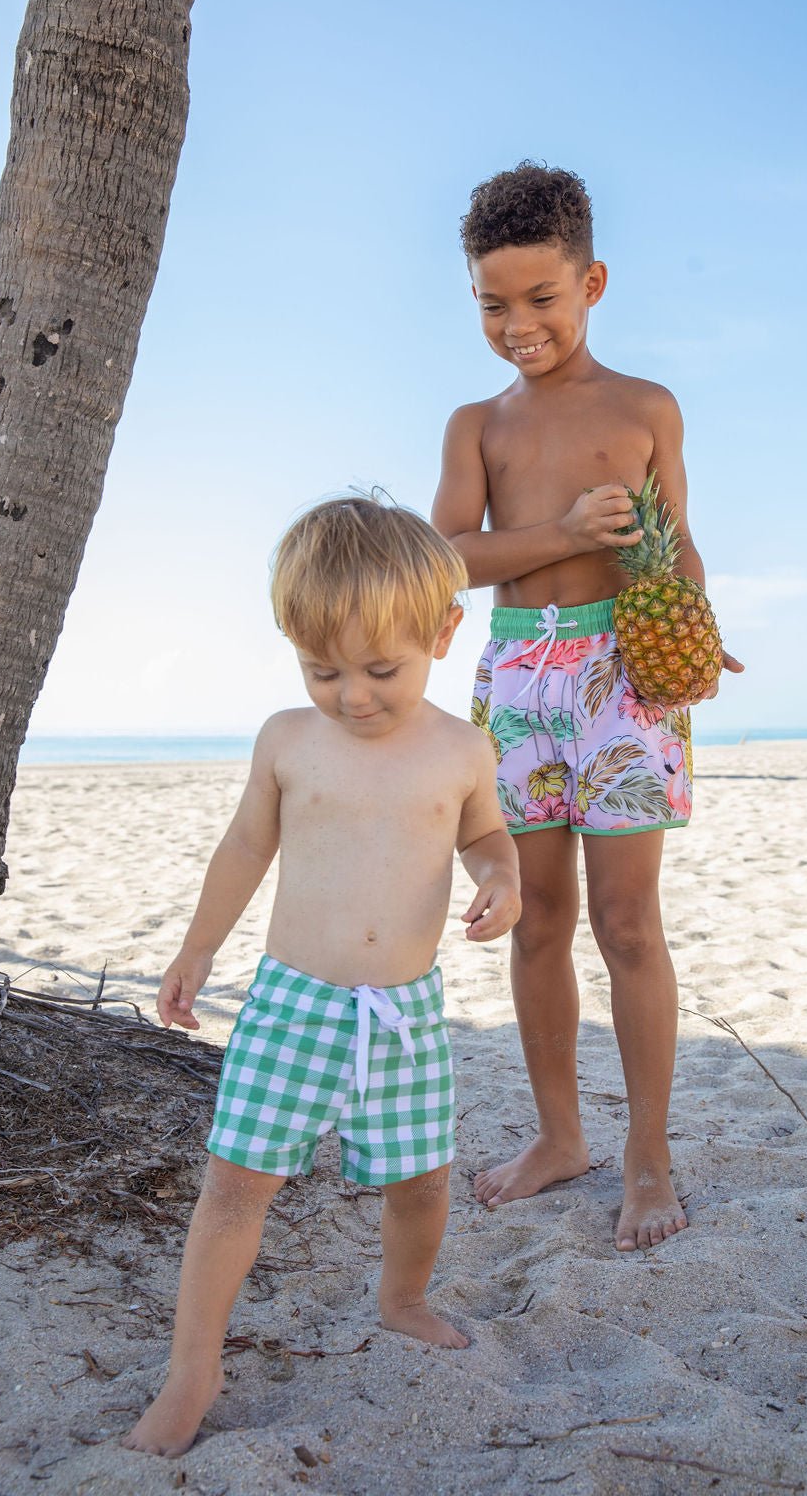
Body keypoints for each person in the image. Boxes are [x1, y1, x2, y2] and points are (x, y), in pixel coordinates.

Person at [125, 495, 521, 1458]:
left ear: (443, 631)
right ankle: (194, 1367)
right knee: (233, 1187)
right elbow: (244, 848)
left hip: (408, 1015)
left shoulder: (463, 748)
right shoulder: (287, 741)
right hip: (294, 1004)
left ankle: (402, 1297)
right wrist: (195, 948)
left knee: (421, 1182)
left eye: (381, 669)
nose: (351, 695)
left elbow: (485, 834)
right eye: (322, 670)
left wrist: (501, 879)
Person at [432, 162, 742, 1253]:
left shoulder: (646, 407)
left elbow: (679, 541)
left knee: (624, 923)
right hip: (517, 675)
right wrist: (564, 532)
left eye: (540, 300)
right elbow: (449, 557)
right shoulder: (477, 424)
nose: (518, 325)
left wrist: (691, 624)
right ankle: (560, 1136)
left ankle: (647, 1157)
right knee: (537, 921)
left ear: (592, 282)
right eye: (493, 305)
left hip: (625, 674)